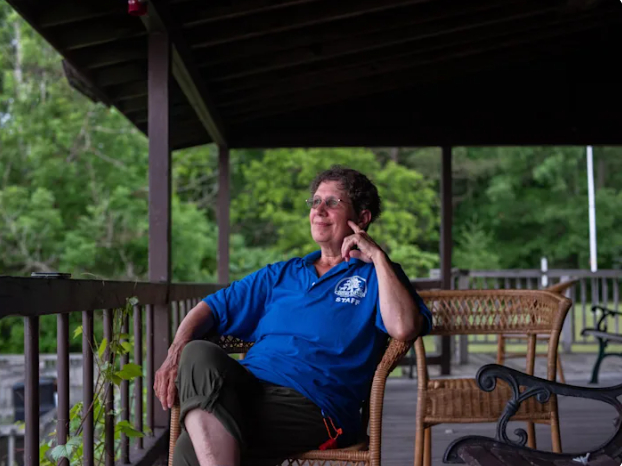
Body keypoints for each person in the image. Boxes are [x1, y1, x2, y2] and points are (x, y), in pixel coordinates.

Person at [154, 166, 433, 466]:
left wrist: (378, 257)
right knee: (196, 352)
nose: (319, 210)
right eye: (315, 202)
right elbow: (209, 308)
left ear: (362, 218)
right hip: (250, 387)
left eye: (332, 203)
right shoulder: (282, 274)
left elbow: (404, 328)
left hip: (315, 406)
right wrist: (175, 351)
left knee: (192, 446)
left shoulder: (379, 276)